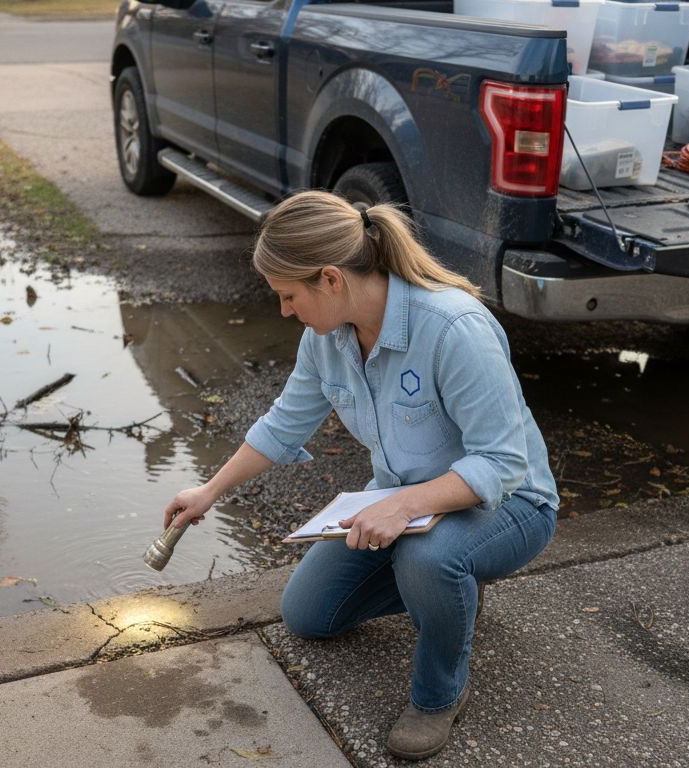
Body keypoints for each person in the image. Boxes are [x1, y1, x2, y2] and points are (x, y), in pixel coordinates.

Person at [161, 190, 558, 760]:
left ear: (330, 279)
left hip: (512, 506)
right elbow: (283, 423)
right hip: (413, 504)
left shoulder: (454, 328)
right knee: (310, 615)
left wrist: (401, 507)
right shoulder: (326, 339)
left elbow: (503, 462)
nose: (284, 310)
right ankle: (451, 592)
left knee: (430, 559)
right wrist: (209, 490)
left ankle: (439, 693)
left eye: (287, 296)